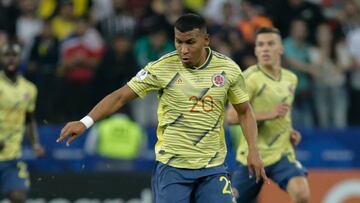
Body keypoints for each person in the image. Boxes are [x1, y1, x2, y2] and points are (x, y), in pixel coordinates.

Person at [57, 13, 268, 203]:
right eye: (178, 42)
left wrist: (253, 150)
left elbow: (244, 111)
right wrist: (85, 122)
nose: (183, 50)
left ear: (206, 40)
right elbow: (120, 96)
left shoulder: (228, 70)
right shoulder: (162, 68)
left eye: (190, 42)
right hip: (172, 168)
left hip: (212, 169)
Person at [227, 27, 310, 203]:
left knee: (302, 194)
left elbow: (283, 113)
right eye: (261, 44)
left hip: (282, 153)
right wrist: (268, 115)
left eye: (270, 44)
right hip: (252, 156)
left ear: (281, 48)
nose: (265, 48)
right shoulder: (249, 79)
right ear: (256, 50)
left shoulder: (290, 79)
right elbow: (232, 117)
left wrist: (290, 131)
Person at [0, 42, 45, 203]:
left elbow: (29, 119)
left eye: (15, 56)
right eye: (7, 55)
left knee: (19, 197)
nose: (11, 60)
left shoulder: (29, 89)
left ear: (20, 59)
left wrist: (35, 144)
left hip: (13, 156)